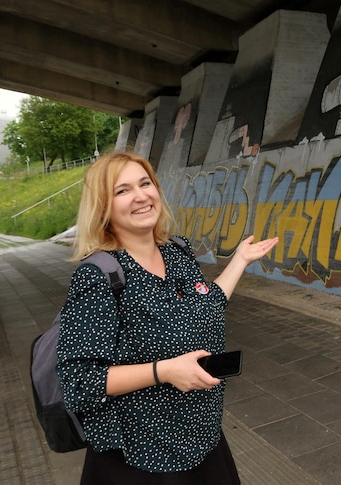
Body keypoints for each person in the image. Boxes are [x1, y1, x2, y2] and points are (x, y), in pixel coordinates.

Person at [56, 151, 278, 484]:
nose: (141, 195)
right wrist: (165, 371)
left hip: (202, 440)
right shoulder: (98, 276)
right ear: (103, 207)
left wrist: (240, 261)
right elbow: (78, 383)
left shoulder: (177, 251)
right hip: (140, 458)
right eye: (123, 190)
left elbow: (207, 304)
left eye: (145, 183)